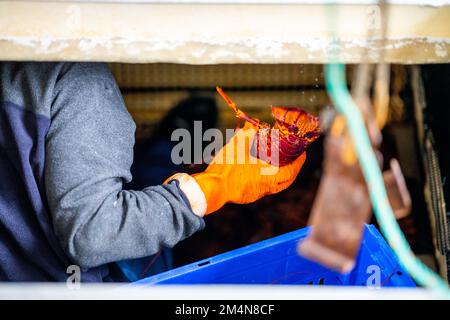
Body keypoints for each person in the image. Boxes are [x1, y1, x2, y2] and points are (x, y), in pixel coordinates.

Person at [0, 62, 305, 282]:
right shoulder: (80, 80)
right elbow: (94, 235)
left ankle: (166, 144)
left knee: (144, 179)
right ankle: (167, 144)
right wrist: (215, 185)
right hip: (71, 282)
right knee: (154, 249)